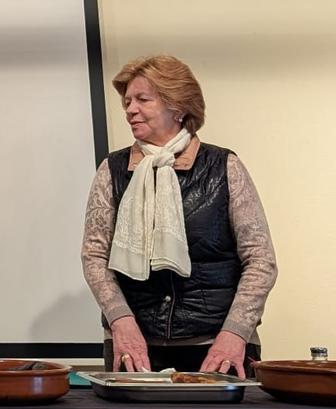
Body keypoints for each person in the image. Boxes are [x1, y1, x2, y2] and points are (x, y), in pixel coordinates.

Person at [81, 55, 276, 377]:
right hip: (134, 347)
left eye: (143, 99)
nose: (130, 110)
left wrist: (235, 333)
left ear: (179, 107)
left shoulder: (224, 167)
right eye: (127, 101)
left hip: (218, 348)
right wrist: (120, 321)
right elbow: (94, 256)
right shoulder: (112, 170)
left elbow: (260, 260)